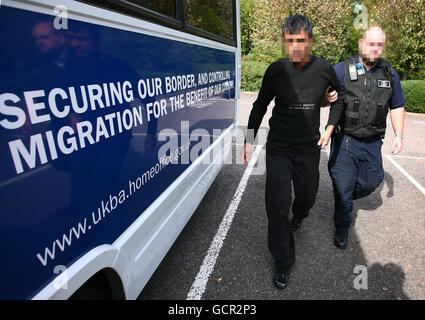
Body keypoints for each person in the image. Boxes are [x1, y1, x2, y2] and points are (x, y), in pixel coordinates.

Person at [241, 14, 343, 289]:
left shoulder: (324, 69)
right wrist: (248, 139)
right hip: (279, 148)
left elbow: (337, 100)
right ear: (284, 42)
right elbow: (260, 105)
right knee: (276, 206)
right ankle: (283, 261)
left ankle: (300, 214)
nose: (295, 47)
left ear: (309, 40)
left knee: (307, 196)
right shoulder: (275, 70)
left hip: (309, 148)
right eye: (289, 41)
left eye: (300, 41)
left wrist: (330, 128)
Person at [327, 27, 405, 250]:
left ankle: (344, 196)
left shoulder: (390, 73)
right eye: (371, 44)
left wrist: (399, 135)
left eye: (379, 45)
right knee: (343, 186)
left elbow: (397, 105)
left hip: (372, 142)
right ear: (362, 43)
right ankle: (342, 225)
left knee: (372, 182)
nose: (375, 48)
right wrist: (325, 97)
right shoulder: (343, 69)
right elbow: (322, 93)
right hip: (346, 140)